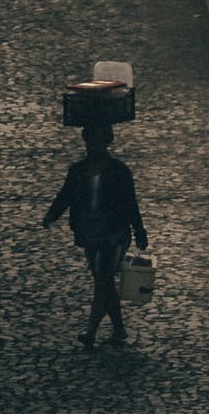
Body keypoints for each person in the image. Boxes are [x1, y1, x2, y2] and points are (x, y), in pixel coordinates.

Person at [43, 115, 148, 349]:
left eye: (97, 140)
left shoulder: (120, 171)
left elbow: (130, 203)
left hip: (115, 233)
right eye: (90, 140)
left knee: (103, 280)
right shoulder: (78, 170)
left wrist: (140, 231)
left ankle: (90, 332)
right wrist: (52, 215)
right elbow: (65, 196)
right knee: (105, 282)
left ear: (106, 141)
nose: (93, 145)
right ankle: (119, 330)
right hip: (90, 233)